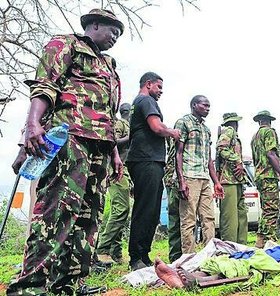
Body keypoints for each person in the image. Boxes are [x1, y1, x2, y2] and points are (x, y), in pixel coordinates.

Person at [7, 9, 125, 295]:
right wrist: (32, 125)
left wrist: (115, 154)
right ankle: (30, 286)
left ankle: (67, 284)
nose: (115, 38)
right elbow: (45, 86)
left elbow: (109, 113)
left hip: (100, 146)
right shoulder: (65, 44)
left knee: (88, 217)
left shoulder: (109, 64)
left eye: (119, 35)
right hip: (68, 139)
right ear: (94, 25)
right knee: (56, 212)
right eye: (113, 31)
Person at [126, 72, 181, 270]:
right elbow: (157, 127)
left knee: (153, 210)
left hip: (150, 160)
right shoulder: (146, 100)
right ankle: (135, 257)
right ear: (148, 84)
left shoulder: (139, 102)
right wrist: (172, 132)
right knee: (145, 209)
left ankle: (143, 254)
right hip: (145, 160)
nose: (161, 91)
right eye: (159, 87)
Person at [175, 95, 224, 254]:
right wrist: (181, 181)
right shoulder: (184, 123)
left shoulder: (206, 129)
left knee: (208, 219)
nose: (208, 109)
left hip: (204, 178)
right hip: (189, 177)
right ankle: (188, 258)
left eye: (209, 106)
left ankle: (209, 255)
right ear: (194, 105)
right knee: (189, 220)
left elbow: (209, 158)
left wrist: (216, 182)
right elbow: (178, 153)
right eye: (205, 105)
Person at [95, 103, 132, 265]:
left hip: (127, 171)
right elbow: (113, 142)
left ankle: (115, 251)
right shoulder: (120, 124)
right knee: (121, 209)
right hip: (116, 170)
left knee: (121, 211)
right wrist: (132, 136)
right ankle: (102, 249)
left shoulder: (129, 125)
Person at [251, 110, 280, 248]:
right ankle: (270, 243)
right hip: (269, 176)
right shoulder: (269, 132)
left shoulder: (254, 136)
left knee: (266, 209)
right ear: (269, 120)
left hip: (260, 176)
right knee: (272, 210)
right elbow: (271, 154)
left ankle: (260, 241)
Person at [216, 112, 248, 244]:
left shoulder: (233, 134)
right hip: (228, 181)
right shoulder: (228, 131)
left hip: (237, 180)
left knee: (241, 216)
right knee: (230, 218)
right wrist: (237, 160)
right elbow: (221, 147)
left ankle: (241, 246)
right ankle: (231, 247)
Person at [164, 137, 182, 262]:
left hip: (180, 180)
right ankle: (175, 255)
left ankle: (180, 254)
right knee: (175, 219)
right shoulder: (173, 145)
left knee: (185, 220)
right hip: (172, 182)